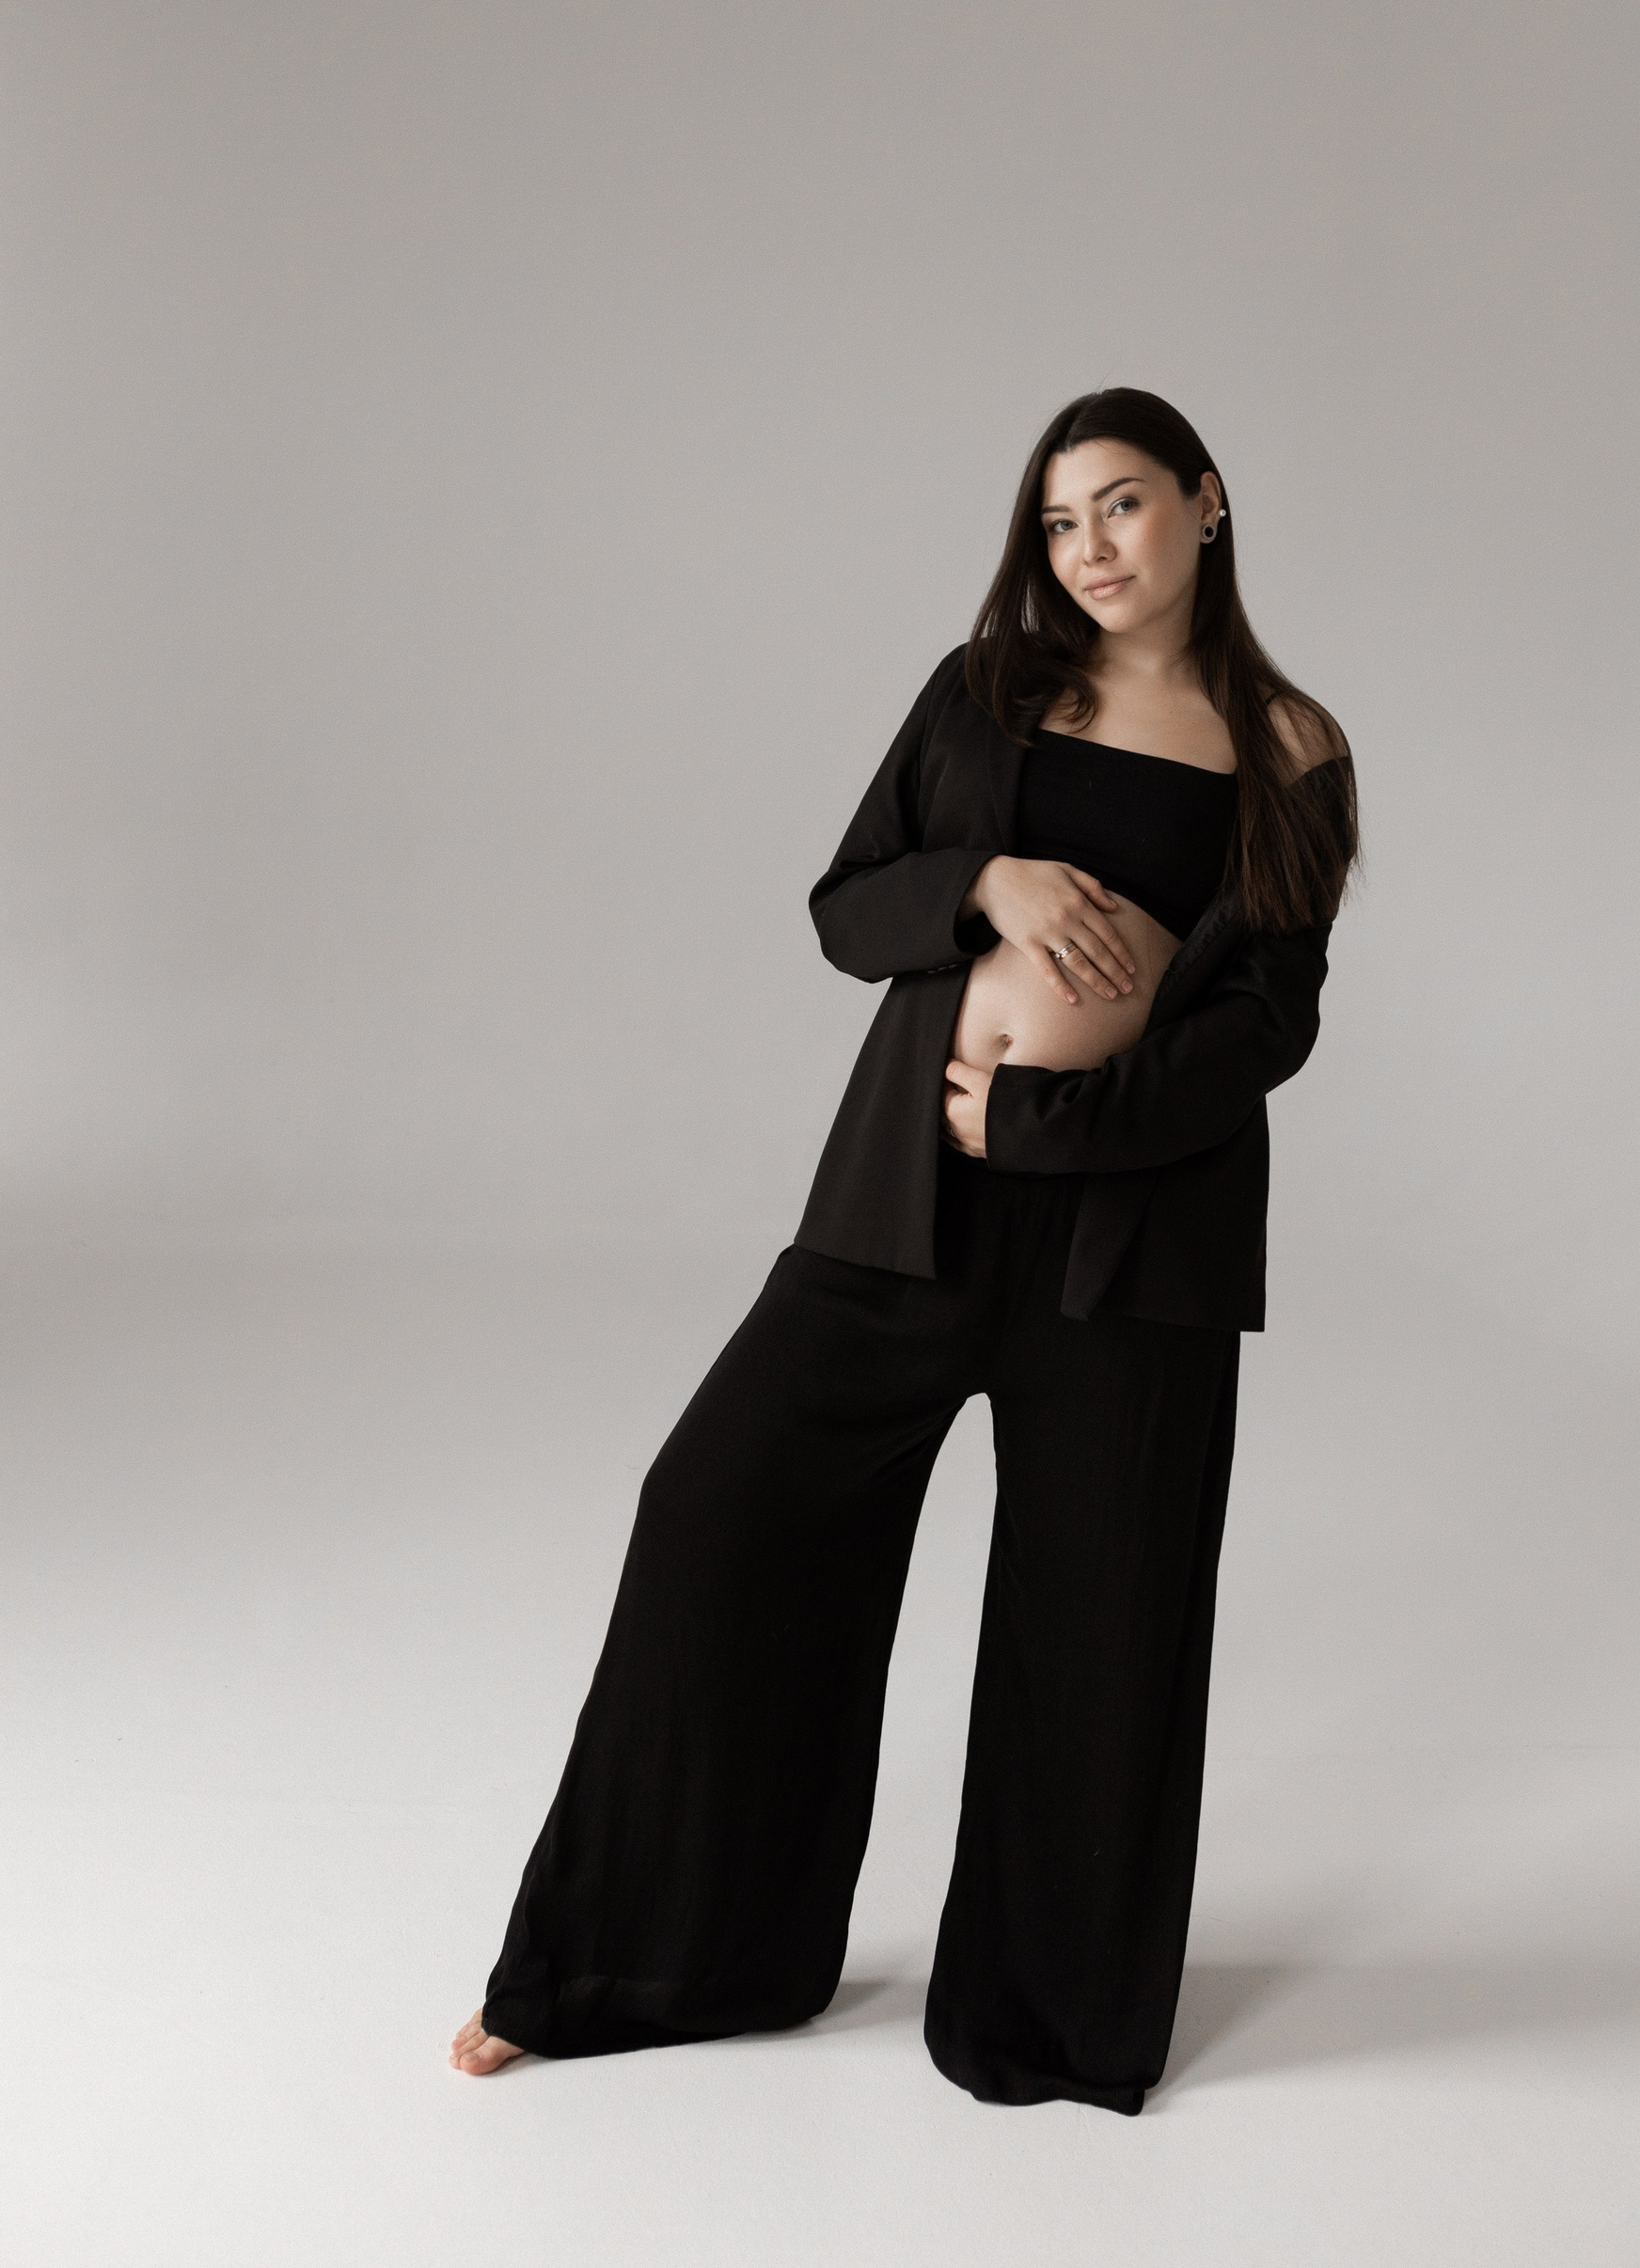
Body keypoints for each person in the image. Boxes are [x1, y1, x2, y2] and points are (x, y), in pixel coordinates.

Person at [450, 386, 1358, 2113]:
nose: (1089, 549)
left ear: (1206, 502)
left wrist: (1044, 1124)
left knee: (1102, 1628)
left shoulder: (1294, 748)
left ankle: (1050, 2023)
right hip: (905, 1210)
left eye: (1122, 505)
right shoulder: (986, 692)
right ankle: (648, 1960)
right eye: (1059, 522)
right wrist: (989, 882)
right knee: (718, 1510)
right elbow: (847, 906)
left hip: (1134, 1250)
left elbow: (1267, 1024)